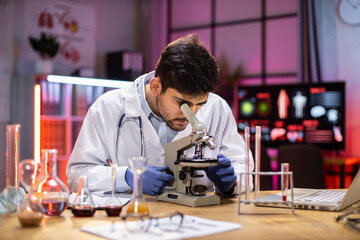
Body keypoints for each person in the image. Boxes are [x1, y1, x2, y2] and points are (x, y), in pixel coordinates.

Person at [66, 34, 254, 196]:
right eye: (183, 103)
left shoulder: (217, 107)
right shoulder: (108, 108)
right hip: (133, 222)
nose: (192, 115)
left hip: (198, 222)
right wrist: (126, 176)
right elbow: (77, 176)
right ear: (156, 86)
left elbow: (244, 168)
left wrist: (230, 183)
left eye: (200, 104)